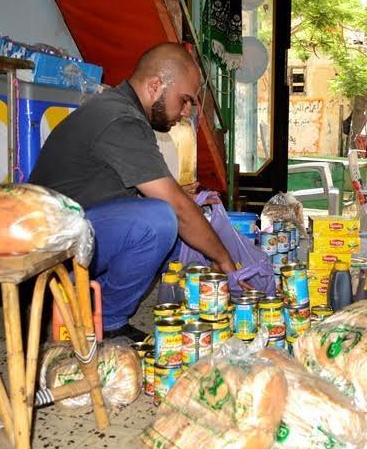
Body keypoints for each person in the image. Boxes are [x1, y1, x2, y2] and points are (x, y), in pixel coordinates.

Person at [30, 42, 236, 338]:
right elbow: (176, 209)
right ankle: (105, 320)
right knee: (162, 221)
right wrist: (224, 259)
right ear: (155, 85)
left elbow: (118, 189)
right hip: (49, 251)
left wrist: (182, 199)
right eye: (184, 100)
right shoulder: (121, 120)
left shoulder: (118, 109)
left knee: (186, 225)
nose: (186, 112)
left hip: (71, 231)